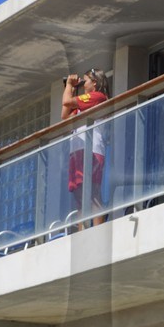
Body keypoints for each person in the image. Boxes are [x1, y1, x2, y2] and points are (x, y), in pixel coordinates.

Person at [62, 70, 109, 223]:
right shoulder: (83, 104)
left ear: (95, 82)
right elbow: (64, 116)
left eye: (86, 80)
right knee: (79, 196)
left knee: (93, 193)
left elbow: (67, 102)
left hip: (91, 151)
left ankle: (97, 232)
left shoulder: (98, 96)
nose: (84, 84)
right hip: (77, 151)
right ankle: (83, 234)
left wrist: (69, 85)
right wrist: (70, 88)